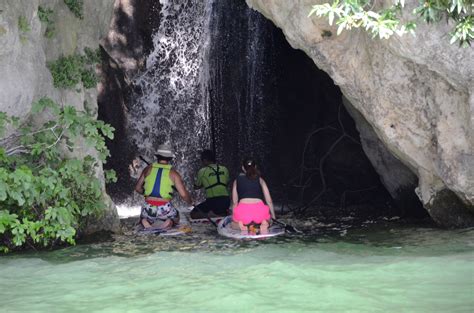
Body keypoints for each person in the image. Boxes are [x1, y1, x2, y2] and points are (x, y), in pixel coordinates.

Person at [134, 144, 192, 229]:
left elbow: (137, 188)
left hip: (148, 208)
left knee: (145, 215)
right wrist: (190, 201)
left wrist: (146, 193)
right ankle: (170, 221)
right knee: (176, 216)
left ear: (157, 156)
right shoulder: (174, 173)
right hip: (164, 208)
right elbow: (183, 195)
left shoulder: (147, 169)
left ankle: (145, 220)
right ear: (170, 158)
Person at [231, 158, 276, 234]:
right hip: (260, 212)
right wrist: (273, 218)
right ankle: (265, 223)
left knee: (232, 224)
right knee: (270, 220)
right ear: (255, 167)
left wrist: (234, 218)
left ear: (242, 168)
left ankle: (241, 226)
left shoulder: (237, 180)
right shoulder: (260, 179)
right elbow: (269, 201)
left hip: (243, 212)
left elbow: (235, 202)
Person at [191, 150, 230, 219]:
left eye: (202, 161)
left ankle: (212, 215)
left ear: (205, 160)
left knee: (193, 214)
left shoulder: (202, 171)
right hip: (226, 201)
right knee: (220, 208)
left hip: (213, 201)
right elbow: (226, 182)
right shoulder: (224, 169)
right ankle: (223, 212)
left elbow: (196, 186)